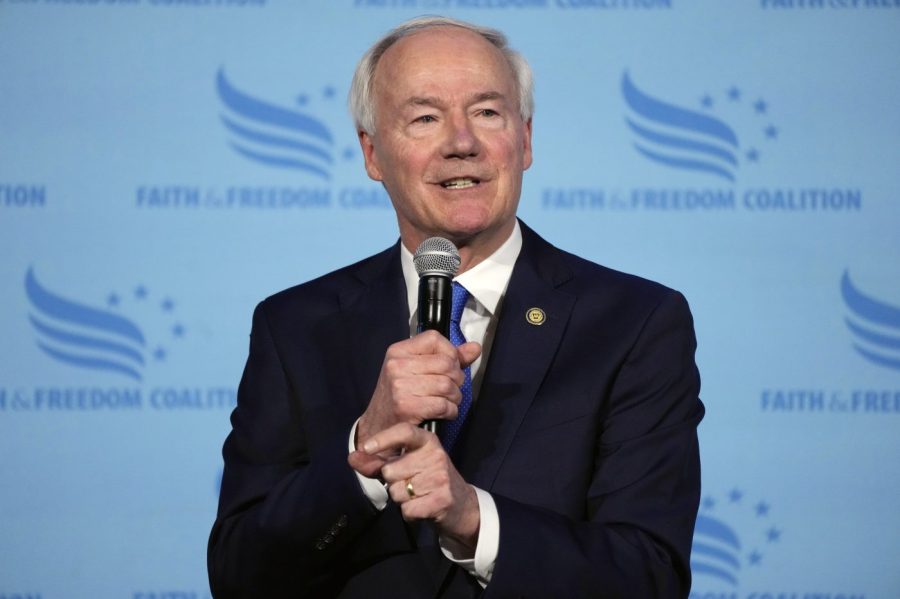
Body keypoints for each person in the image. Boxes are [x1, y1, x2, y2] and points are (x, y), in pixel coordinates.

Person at [208, 16, 704, 599]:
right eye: (424, 118)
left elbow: (650, 577)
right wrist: (367, 449)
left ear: (525, 140)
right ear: (372, 154)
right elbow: (240, 577)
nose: (461, 142)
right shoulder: (295, 327)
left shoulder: (634, 323)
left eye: (487, 113)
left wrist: (475, 520)